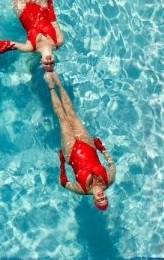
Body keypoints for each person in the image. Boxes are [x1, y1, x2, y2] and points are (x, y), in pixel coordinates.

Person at [48, 69, 115, 210]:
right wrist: (102, 149)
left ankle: (51, 87)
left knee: (63, 118)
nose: (102, 197)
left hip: (70, 151)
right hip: (88, 145)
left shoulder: (82, 190)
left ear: (95, 201)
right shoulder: (109, 180)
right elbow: (111, 165)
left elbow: (64, 183)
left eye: (100, 200)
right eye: (104, 199)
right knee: (72, 114)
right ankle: (59, 84)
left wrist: (62, 162)